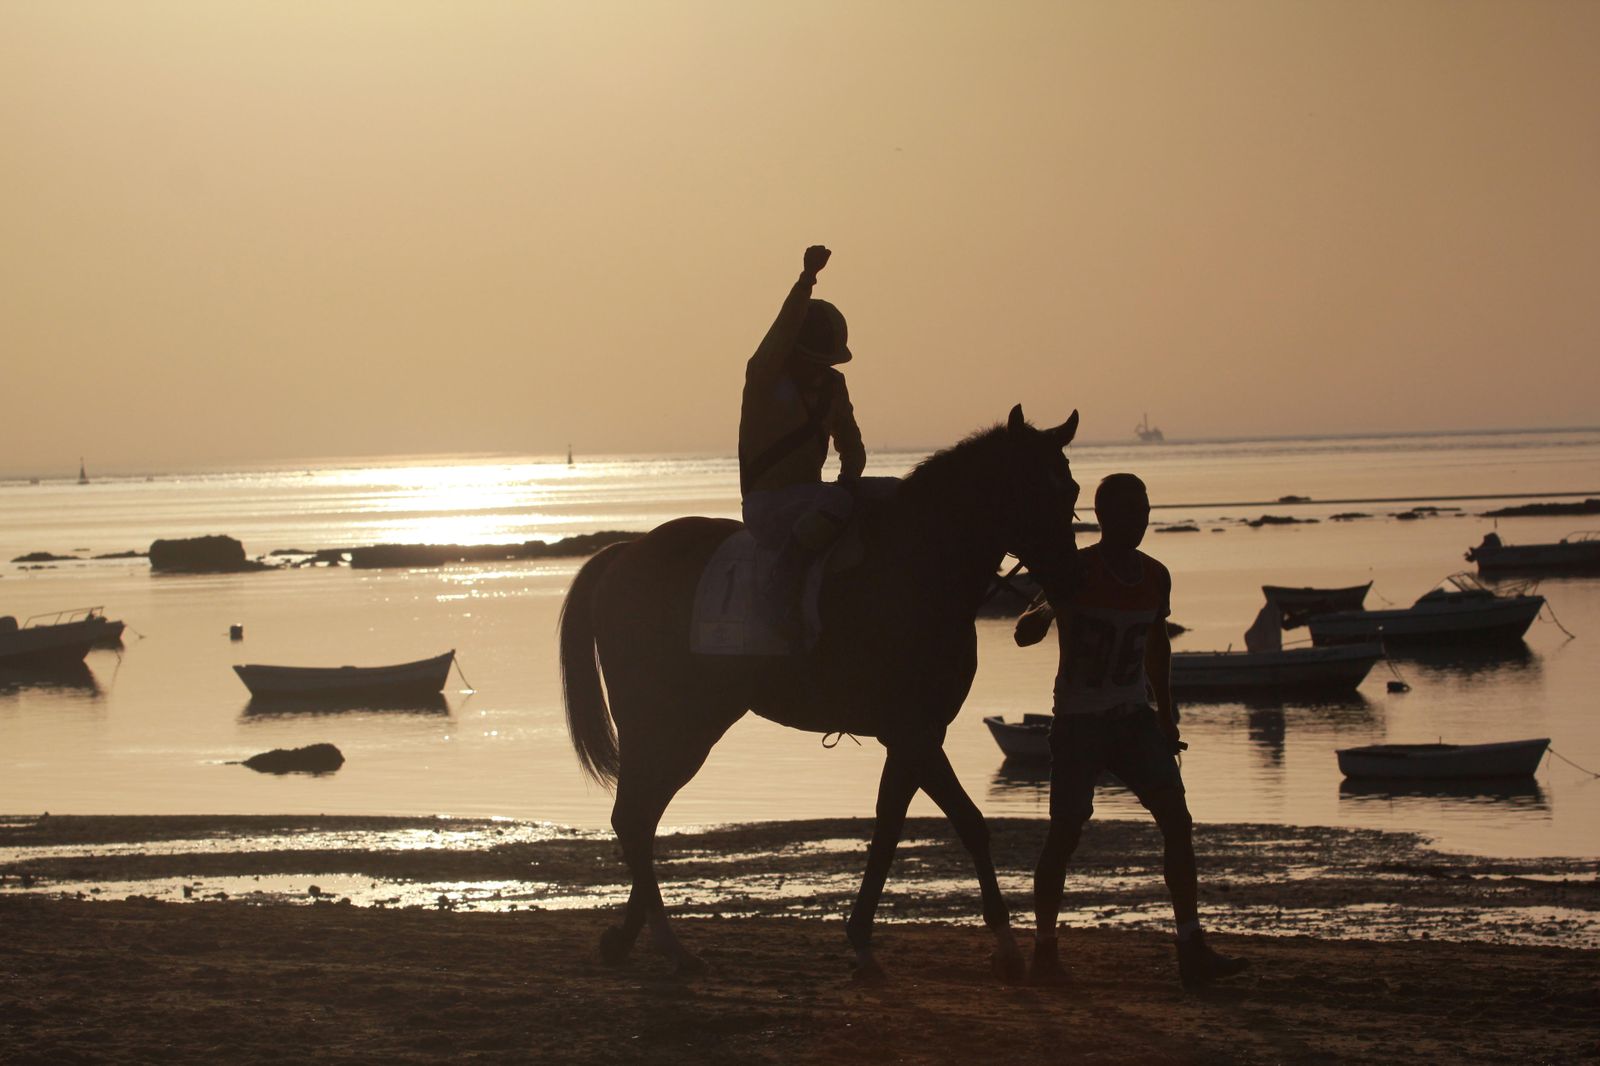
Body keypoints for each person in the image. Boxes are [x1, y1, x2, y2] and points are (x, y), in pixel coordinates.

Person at [1015, 472, 1248, 989]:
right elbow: (1025, 632)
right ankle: (1045, 950)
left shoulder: (1156, 576)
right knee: (1065, 833)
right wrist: (1047, 607)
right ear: (1104, 517)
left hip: (1133, 719)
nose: (1140, 521)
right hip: (1079, 722)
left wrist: (1166, 713)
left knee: (1177, 821)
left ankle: (1191, 946)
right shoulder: (1076, 571)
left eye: (1144, 511)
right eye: (1129, 512)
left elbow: (1157, 645)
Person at [738, 245, 866, 636]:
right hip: (768, 506)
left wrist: (851, 480)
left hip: (812, 502)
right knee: (836, 501)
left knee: (886, 492)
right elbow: (780, 332)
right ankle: (783, 579)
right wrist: (807, 279)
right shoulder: (765, 378)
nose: (820, 368)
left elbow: (851, 445)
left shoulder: (833, 386)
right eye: (814, 359)